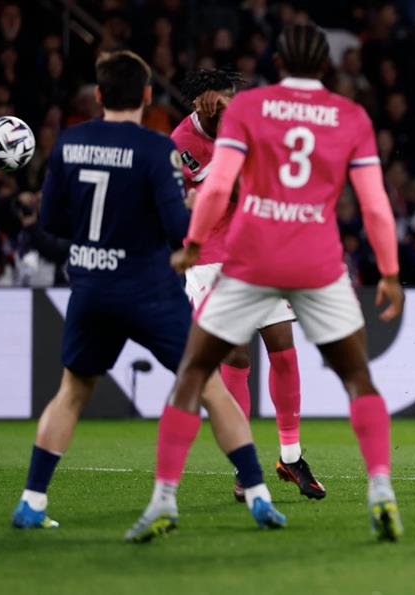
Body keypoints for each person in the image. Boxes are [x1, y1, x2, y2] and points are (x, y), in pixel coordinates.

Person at [130, 24, 405, 542]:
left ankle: (171, 496)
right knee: (353, 375)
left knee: (205, 369)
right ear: (326, 66)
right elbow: (373, 204)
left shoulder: (254, 109)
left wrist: (188, 241)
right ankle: (379, 489)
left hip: (249, 253)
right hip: (303, 256)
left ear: (277, 63)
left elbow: (216, 190)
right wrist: (389, 271)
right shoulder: (349, 115)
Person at [9, 50, 285, 540]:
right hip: (147, 289)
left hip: (91, 286)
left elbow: (51, 222)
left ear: (99, 95)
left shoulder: (71, 142)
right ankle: (258, 494)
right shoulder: (157, 148)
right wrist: (193, 203)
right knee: (209, 385)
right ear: (147, 95)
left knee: (72, 392)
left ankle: (32, 502)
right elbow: (179, 229)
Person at [171, 68, 324, 502]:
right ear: (201, 102)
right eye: (223, 101)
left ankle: (291, 457)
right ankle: (245, 466)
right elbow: (189, 202)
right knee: (235, 353)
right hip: (209, 257)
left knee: (283, 346)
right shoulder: (180, 144)